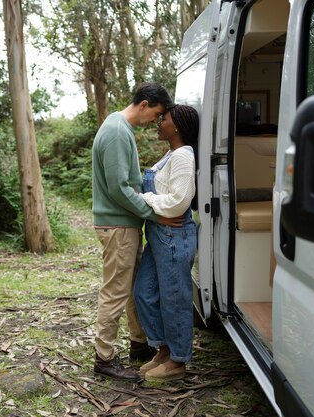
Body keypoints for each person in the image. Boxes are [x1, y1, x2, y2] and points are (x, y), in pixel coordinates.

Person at [91, 82, 182, 381]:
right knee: (115, 291)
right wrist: (154, 215)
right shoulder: (117, 131)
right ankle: (104, 358)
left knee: (130, 289)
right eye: (155, 113)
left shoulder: (119, 128)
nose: (155, 121)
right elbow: (119, 189)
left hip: (123, 224)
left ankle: (138, 344)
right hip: (118, 225)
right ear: (144, 104)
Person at [133, 104, 200, 382]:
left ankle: (178, 360)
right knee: (144, 292)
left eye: (165, 119)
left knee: (175, 299)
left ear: (178, 126)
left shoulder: (183, 156)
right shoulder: (170, 155)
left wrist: (145, 199)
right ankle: (163, 348)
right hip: (159, 235)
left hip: (174, 235)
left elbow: (178, 203)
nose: (159, 123)